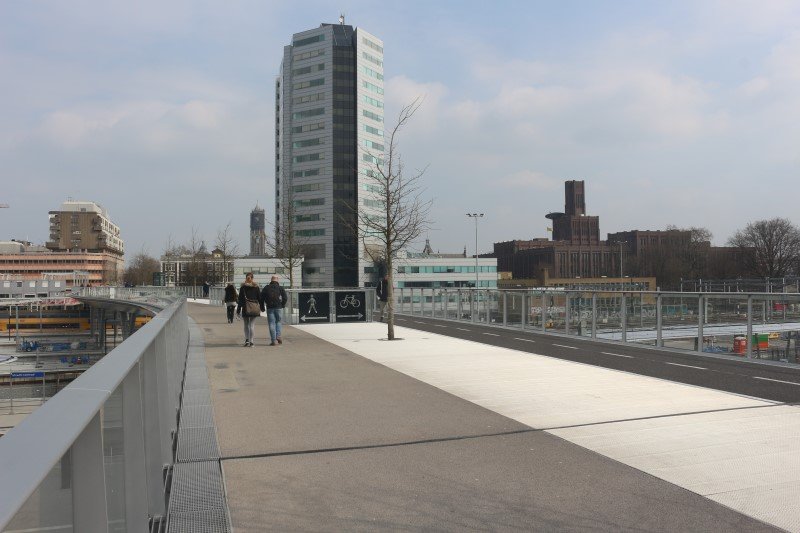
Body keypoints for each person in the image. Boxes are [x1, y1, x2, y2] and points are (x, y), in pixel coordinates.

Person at [236, 273, 263, 347]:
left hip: (245, 308)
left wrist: (238, 311)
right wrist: (262, 308)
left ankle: (247, 340)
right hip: (254, 308)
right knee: (252, 325)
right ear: (252, 278)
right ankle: (252, 342)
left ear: (246, 278)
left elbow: (240, 300)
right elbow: (260, 298)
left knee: (246, 325)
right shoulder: (256, 287)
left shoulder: (243, 287)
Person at [261, 275, 287, 346]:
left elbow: (261, 298)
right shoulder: (280, 288)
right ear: (277, 280)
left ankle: (273, 340)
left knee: (271, 323)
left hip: (269, 307)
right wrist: (282, 305)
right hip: (278, 307)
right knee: (278, 321)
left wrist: (262, 307)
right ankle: (278, 336)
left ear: (271, 280)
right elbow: (285, 297)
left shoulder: (266, 288)